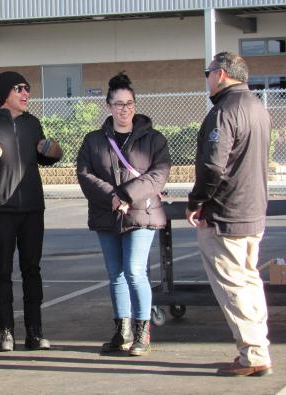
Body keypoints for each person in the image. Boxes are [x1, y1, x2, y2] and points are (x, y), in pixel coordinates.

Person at [186, 52, 272, 377]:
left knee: (232, 286)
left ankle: (252, 355)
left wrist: (197, 201)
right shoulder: (258, 109)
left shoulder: (224, 112)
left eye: (207, 72)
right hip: (253, 213)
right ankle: (257, 347)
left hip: (225, 216)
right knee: (249, 281)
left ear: (220, 74)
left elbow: (212, 165)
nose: (206, 78)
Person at [77, 72, 171, 356]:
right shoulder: (93, 140)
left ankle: (142, 332)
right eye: (118, 104)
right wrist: (112, 198)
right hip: (107, 215)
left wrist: (126, 195)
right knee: (115, 274)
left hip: (141, 213)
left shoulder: (153, 139)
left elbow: (159, 175)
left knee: (134, 271)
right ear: (108, 106)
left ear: (135, 105)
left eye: (129, 103)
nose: (124, 109)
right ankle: (123, 331)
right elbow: (84, 174)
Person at [0, 71, 62, 352]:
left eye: (28, 89)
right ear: (5, 93)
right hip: (0, 208)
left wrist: (53, 150)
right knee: (2, 270)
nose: (26, 94)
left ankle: (34, 332)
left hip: (33, 207)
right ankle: (6, 332)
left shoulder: (33, 123)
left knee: (32, 269)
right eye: (20, 89)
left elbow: (47, 157)